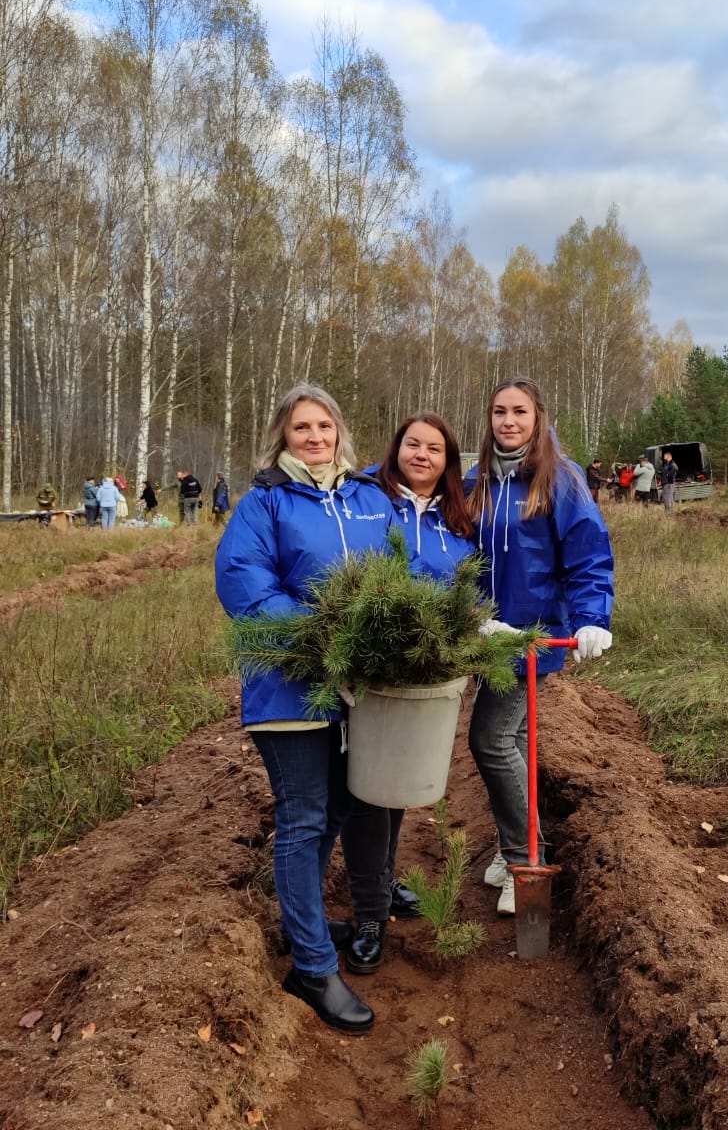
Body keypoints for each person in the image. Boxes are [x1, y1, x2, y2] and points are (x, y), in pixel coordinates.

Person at [215, 383, 399, 1035]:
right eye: (302, 428)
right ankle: (313, 967)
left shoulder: (368, 500)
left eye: (325, 425)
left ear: (340, 432)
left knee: (343, 807)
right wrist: (325, 633)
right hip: (289, 687)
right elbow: (245, 587)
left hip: (356, 692)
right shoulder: (264, 503)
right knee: (304, 816)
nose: (315, 437)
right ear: (283, 436)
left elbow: (404, 574)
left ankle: (306, 921)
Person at [464, 376, 614, 916]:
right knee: (515, 739)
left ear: (538, 417)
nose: (508, 421)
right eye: (499, 411)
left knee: (490, 739)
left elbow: (588, 554)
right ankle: (518, 844)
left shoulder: (561, 480)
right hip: (486, 635)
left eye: (519, 412)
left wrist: (593, 617)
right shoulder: (476, 481)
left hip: (532, 637)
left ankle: (525, 853)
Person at [339, 412, 477, 976]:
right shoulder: (368, 501)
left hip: (430, 669)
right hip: (374, 665)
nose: (422, 455)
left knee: (396, 782)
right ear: (395, 449)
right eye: (412, 444)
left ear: (449, 461)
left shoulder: (457, 518)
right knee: (368, 790)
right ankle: (369, 914)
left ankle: (385, 878)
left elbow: (467, 583)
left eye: (435, 449)